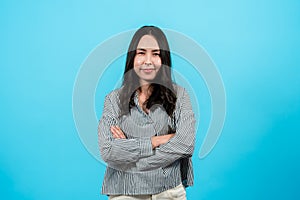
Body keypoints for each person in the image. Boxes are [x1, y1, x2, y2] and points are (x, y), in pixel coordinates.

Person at [98, 25, 196, 200]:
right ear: (132, 57)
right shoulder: (113, 100)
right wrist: (157, 140)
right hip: (125, 192)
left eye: (156, 54)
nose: (148, 60)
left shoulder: (180, 96)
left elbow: (186, 144)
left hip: (169, 191)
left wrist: (130, 151)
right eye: (141, 53)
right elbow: (108, 150)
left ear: (163, 59)